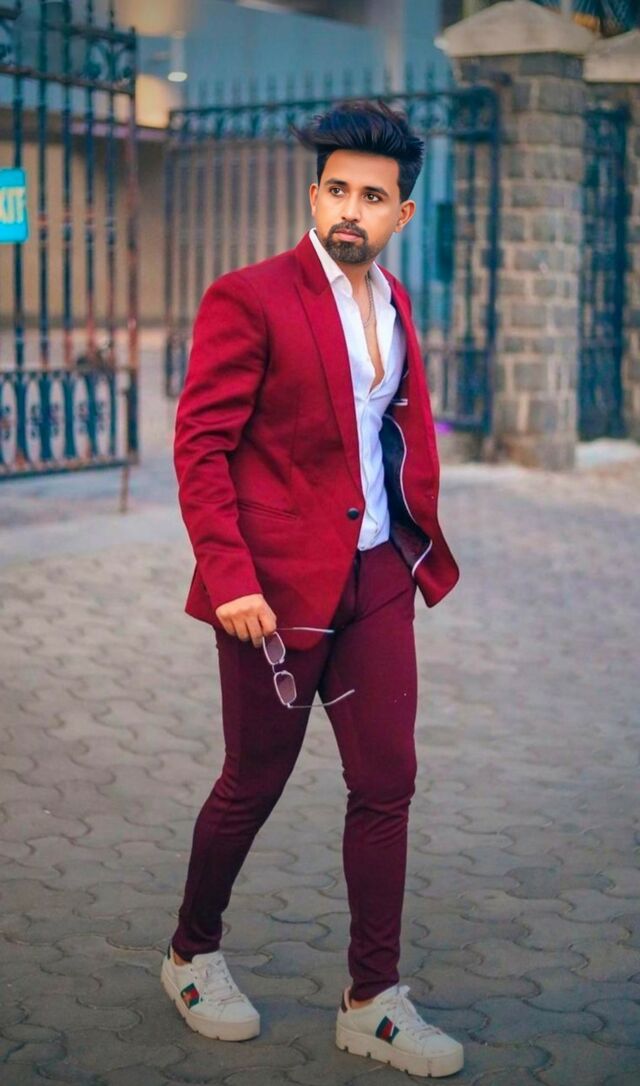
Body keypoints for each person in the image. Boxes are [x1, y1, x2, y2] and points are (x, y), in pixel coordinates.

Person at [161, 98, 463, 1079]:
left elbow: (391, 427)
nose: (350, 209)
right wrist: (230, 576)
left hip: (374, 576)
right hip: (272, 591)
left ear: (400, 214)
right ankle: (191, 953)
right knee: (255, 779)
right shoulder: (249, 297)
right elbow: (201, 447)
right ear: (312, 195)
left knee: (386, 781)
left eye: (372, 197)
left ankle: (372, 999)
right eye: (337, 189)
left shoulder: (395, 301)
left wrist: (411, 541)